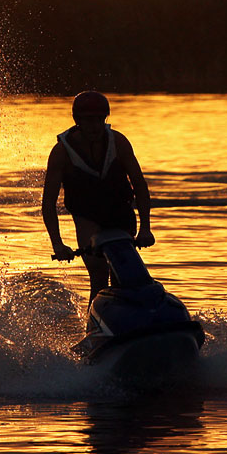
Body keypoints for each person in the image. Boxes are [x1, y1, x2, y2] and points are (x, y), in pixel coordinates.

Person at [42, 91, 155, 306]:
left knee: (124, 273)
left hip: (120, 212)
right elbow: (48, 204)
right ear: (77, 121)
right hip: (87, 216)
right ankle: (95, 332)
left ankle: (132, 320)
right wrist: (57, 244)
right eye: (88, 120)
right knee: (99, 277)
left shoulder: (119, 142)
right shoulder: (61, 153)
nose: (95, 126)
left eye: (99, 120)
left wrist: (145, 229)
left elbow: (139, 185)